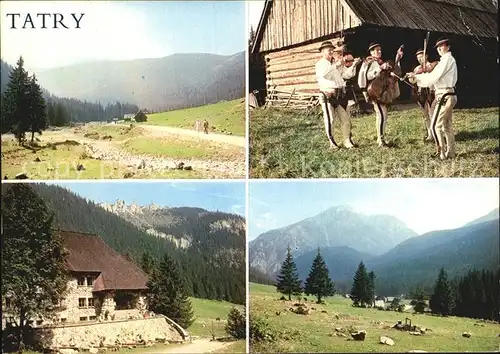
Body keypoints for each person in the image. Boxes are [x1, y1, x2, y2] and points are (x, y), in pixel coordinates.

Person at [408, 38, 458, 160]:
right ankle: (450, 152)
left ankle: (440, 153)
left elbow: (433, 77)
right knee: (446, 125)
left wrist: (417, 77)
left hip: (444, 95)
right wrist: (417, 76)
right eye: (438, 47)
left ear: (448, 47)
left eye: (442, 46)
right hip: (449, 94)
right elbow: (431, 76)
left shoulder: (447, 60)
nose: (439, 49)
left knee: (435, 125)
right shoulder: (446, 60)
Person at [315, 40, 361, 149]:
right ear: (322, 52)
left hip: (341, 94)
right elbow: (325, 75)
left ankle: (347, 141)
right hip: (328, 95)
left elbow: (347, 75)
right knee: (330, 119)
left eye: (332, 49)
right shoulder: (320, 64)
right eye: (328, 50)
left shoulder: (336, 63)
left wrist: (354, 65)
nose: (331, 51)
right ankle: (332, 142)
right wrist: (336, 65)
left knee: (345, 119)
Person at [358, 42, 403, 147]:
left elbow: (391, 73)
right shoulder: (368, 62)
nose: (379, 52)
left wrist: (398, 59)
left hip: (382, 92)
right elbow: (367, 76)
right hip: (374, 92)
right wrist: (380, 68)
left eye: (380, 50)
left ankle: (381, 138)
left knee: (383, 115)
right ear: (371, 52)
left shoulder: (380, 62)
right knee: (381, 115)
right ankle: (381, 140)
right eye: (376, 50)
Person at [408, 49, 437, 141]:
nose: (420, 59)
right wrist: (412, 78)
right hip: (421, 92)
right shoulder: (417, 69)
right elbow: (413, 81)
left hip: (430, 91)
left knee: (432, 113)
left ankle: (435, 134)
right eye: (418, 58)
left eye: (421, 57)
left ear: (426, 56)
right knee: (425, 115)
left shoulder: (432, 66)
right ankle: (429, 134)